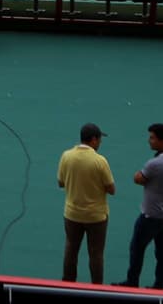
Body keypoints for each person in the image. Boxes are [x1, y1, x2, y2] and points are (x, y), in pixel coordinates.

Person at [120, 124, 163, 291]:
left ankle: (132, 282)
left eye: (152, 137)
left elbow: (138, 178)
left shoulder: (155, 163)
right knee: (162, 251)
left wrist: (138, 174)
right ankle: (160, 285)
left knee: (137, 248)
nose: (149, 140)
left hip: (152, 216)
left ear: (162, 141)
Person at [57, 122, 117, 284]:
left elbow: (61, 182)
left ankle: (67, 283)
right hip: (96, 217)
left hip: (72, 214)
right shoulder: (100, 161)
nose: (100, 143)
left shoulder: (66, 156)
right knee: (96, 254)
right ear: (93, 140)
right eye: (99, 139)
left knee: (71, 250)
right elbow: (111, 189)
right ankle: (97, 286)